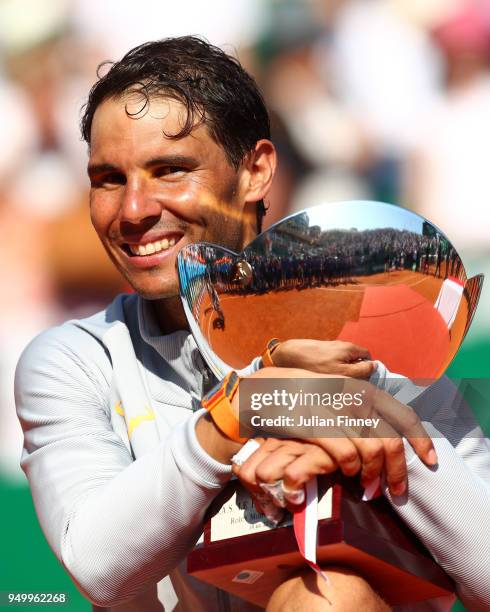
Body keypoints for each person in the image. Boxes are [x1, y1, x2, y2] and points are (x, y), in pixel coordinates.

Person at [15, 37, 490, 612]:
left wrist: (373, 429)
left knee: (330, 597)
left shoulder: (373, 326)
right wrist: (240, 411)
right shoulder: (75, 358)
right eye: (109, 178)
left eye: (170, 170)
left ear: (256, 172)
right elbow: (99, 569)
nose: (134, 209)